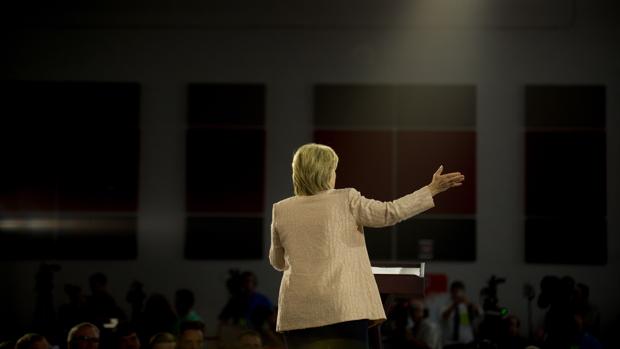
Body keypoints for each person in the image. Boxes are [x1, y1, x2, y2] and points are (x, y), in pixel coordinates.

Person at [269, 143, 465, 349]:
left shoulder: (281, 209)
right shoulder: (345, 199)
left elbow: (278, 261)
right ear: (325, 172)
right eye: (333, 170)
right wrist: (431, 189)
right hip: (343, 310)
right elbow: (390, 212)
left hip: (298, 315)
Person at [441, 281, 479, 349]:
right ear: (451, 292)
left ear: (463, 292)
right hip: (450, 343)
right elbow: (444, 316)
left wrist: (469, 304)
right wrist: (454, 304)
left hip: (467, 341)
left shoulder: (467, 304)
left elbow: (478, 313)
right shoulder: (446, 304)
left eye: (459, 292)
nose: (456, 294)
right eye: (454, 292)